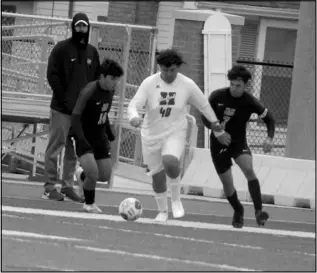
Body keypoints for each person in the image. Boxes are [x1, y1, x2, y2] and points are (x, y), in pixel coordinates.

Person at [127, 49, 231, 222]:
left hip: (175, 131)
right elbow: (133, 105)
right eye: (165, 70)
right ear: (159, 68)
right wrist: (134, 117)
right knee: (157, 177)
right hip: (151, 134)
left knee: (170, 161)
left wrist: (217, 129)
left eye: (173, 70)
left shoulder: (187, 84)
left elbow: (204, 106)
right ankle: (162, 211)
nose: (169, 74)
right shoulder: (149, 83)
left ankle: (176, 200)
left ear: (178, 68)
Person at [201, 65, 275, 228]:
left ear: (246, 85)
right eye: (232, 84)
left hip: (238, 142)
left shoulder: (250, 102)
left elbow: (270, 119)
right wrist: (216, 130)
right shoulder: (217, 96)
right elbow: (204, 117)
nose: (234, 88)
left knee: (248, 169)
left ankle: (258, 212)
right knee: (227, 183)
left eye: (238, 86)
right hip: (218, 143)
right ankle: (238, 209)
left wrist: (269, 138)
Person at [43, 13, 100, 202]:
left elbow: (95, 81)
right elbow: (52, 75)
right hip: (61, 109)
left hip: (80, 112)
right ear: (73, 27)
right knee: (56, 147)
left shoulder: (93, 52)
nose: (81, 30)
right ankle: (49, 187)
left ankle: (67, 185)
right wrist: (64, 99)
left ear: (88, 27)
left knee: (72, 151)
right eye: (78, 26)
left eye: (84, 26)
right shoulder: (61, 49)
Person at [71, 58, 123, 213]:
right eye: (112, 78)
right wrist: (80, 139)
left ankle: (81, 176)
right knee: (93, 173)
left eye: (117, 80)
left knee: (104, 175)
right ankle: (89, 203)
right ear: (102, 76)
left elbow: (103, 112)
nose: (115, 83)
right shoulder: (89, 91)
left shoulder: (111, 91)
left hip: (99, 137)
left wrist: (109, 132)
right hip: (84, 136)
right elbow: (75, 116)